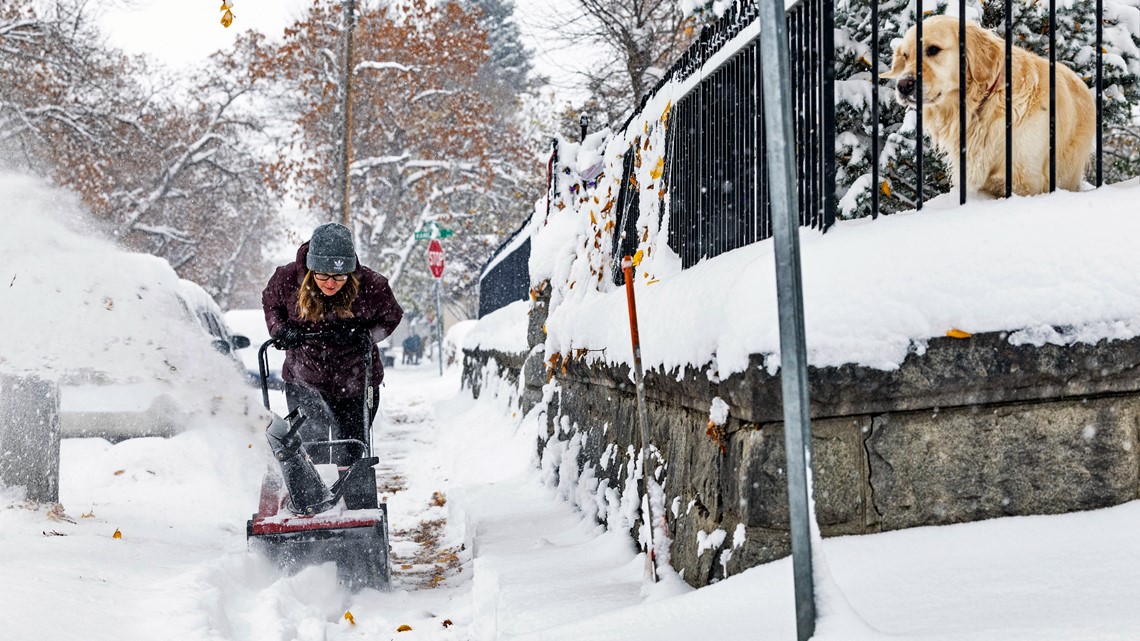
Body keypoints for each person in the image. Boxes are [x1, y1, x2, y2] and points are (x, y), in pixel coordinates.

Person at [262, 222, 403, 465]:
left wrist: (364, 335)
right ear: (309, 269)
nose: (330, 283)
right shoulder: (286, 279)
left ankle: (353, 498)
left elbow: (391, 317)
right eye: (323, 276)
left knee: (349, 452)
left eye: (339, 277)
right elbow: (270, 304)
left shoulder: (373, 286)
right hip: (303, 379)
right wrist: (281, 330)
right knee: (310, 451)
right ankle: (313, 500)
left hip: (356, 381)